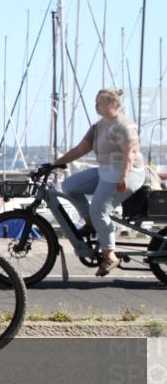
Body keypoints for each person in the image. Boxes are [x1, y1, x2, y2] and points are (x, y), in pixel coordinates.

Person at [53, 88, 144, 276]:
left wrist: (124, 177)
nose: (96, 106)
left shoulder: (124, 125)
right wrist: (54, 164)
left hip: (127, 172)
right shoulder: (98, 126)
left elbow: (131, 152)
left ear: (112, 104)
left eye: (99, 102)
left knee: (99, 209)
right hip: (106, 171)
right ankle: (92, 223)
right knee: (69, 186)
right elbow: (80, 150)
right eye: (95, 102)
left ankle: (109, 254)